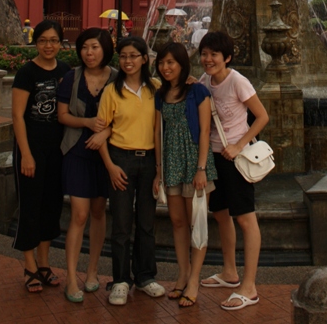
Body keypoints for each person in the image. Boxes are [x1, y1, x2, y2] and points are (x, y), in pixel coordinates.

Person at [198, 30, 269, 311]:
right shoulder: (205, 80)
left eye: (214, 54)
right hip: (215, 158)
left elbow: (262, 116)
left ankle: (249, 287)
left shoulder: (237, 81)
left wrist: (239, 144)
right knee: (221, 215)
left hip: (235, 159)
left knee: (245, 219)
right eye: (204, 54)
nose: (208, 59)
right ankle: (230, 273)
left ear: (226, 57)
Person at [97, 36, 166, 306]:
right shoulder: (112, 91)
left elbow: (160, 128)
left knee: (147, 223)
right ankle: (121, 280)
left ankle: (146, 276)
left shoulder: (156, 88)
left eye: (133, 56)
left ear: (144, 59)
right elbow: (102, 132)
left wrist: (159, 171)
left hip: (149, 160)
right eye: (123, 56)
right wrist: (110, 167)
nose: (128, 61)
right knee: (122, 224)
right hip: (120, 159)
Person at [153, 42, 217, 308]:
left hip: (194, 164)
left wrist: (201, 169)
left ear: (181, 64)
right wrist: (158, 171)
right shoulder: (160, 93)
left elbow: (204, 131)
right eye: (162, 63)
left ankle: (194, 280)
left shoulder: (198, 91)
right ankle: (181, 274)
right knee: (178, 222)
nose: (165, 67)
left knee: (196, 223)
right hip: (171, 163)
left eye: (171, 63)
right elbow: (157, 133)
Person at [57, 28, 117, 303]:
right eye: (84, 48)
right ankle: (71, 277)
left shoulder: (117, 78)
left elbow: (130, 112)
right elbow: (62, 116)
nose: (89, 53)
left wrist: (104, 132)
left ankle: (93, 271)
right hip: (77, 151)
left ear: (105, 49)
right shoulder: (72, 77)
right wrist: (88, 123)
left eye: (94, 47)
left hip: (107, 156)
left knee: (98, 212)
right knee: (79, 214)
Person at [12, 20, 70, 293]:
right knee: (31, 205)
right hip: (31, 148)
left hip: (56, 150)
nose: (49, 45)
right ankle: (29, 265)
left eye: (54, 40)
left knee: (51, 206)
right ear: (36, 43)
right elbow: (17, 116)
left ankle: (44, 262)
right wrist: (25, 154)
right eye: (44, 40)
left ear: (61, 43)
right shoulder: (26, 72)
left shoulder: (65, 70)